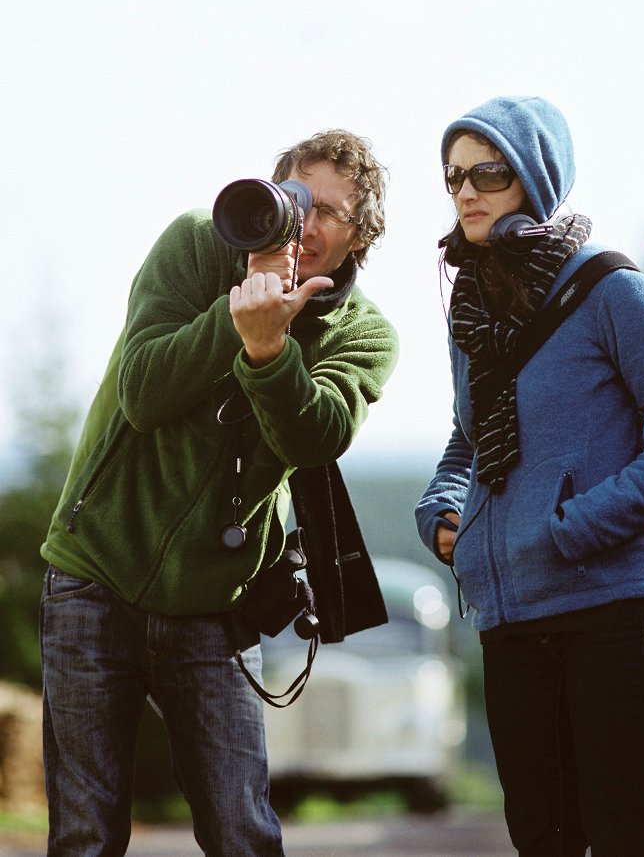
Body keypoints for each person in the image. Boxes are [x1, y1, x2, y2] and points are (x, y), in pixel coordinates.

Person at [40, 128, 398, 857]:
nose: (306, 224)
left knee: (243, 833)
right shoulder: (195, 246)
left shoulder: (362, 335)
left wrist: (270, 352)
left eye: (330, 213)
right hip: (96, 572)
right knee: (85, 834)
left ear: (361, 237)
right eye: (296, 200)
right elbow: (143, 392)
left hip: (214, 602)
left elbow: (315, 438)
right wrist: (237, 316)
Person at [415, 96, 644, 857]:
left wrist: (580, 525)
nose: (465, 192)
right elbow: (468, 433)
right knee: (542, 839)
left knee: (628, 834)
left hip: (612, 610)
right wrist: (440, 508)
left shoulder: (611, 290)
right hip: (511, 619)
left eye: (487, 172)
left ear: (532, 177)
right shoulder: (470, 305)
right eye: (453, 175)